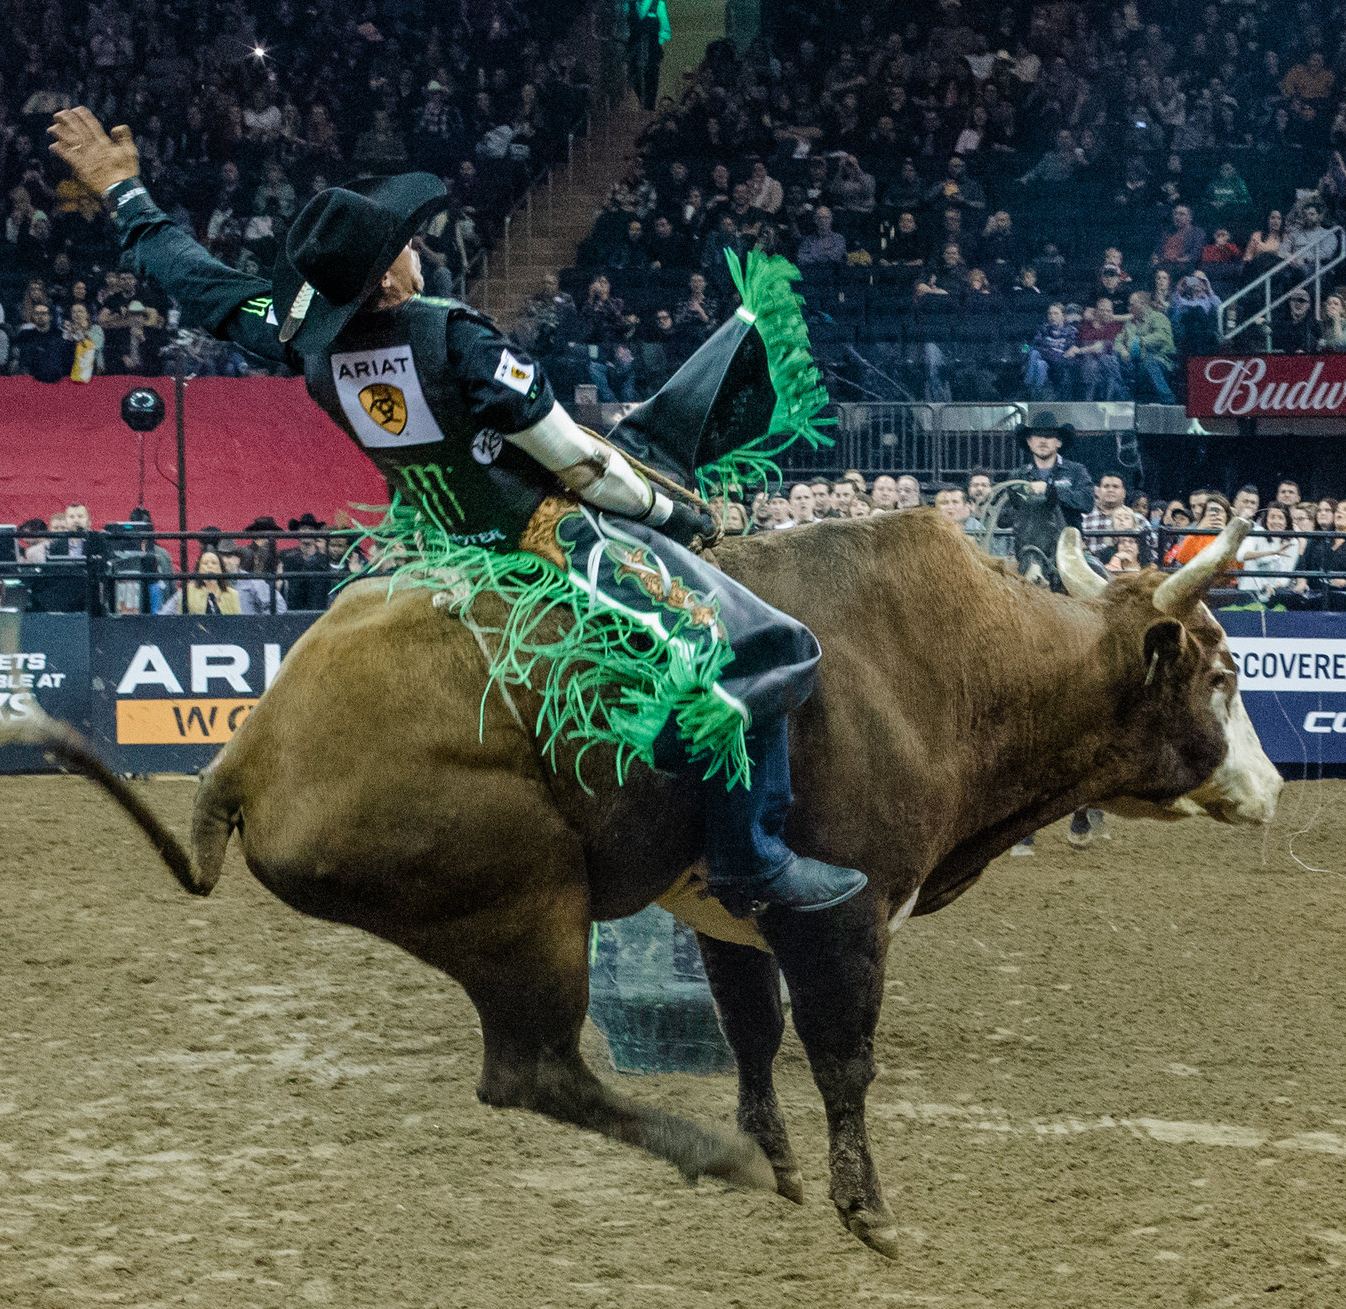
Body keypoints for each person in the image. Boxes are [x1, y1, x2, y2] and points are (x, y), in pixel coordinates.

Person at [46, 106, 862, 914]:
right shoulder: (462, 343)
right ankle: (750, 855)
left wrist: (126, 195)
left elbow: (197, 280)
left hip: (437, 543)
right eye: (406, 244)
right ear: (392, 276)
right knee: (756, 644)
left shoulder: (304, 339)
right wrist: (673, 514)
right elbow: (581, 465)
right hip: (541, 537)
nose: (416, 249)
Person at [1002, 414, 1095, 588]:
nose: (1043, 441)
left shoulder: (1076, 471)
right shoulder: (1018, 476)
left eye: (1049, 436)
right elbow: (1003, 517)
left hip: (1069, 554)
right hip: (1028, 553)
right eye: (1037, 436)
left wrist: (1051, 491)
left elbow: (1087, 502)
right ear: (1029, 442)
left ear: (1058, 442)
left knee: (1097, 579)